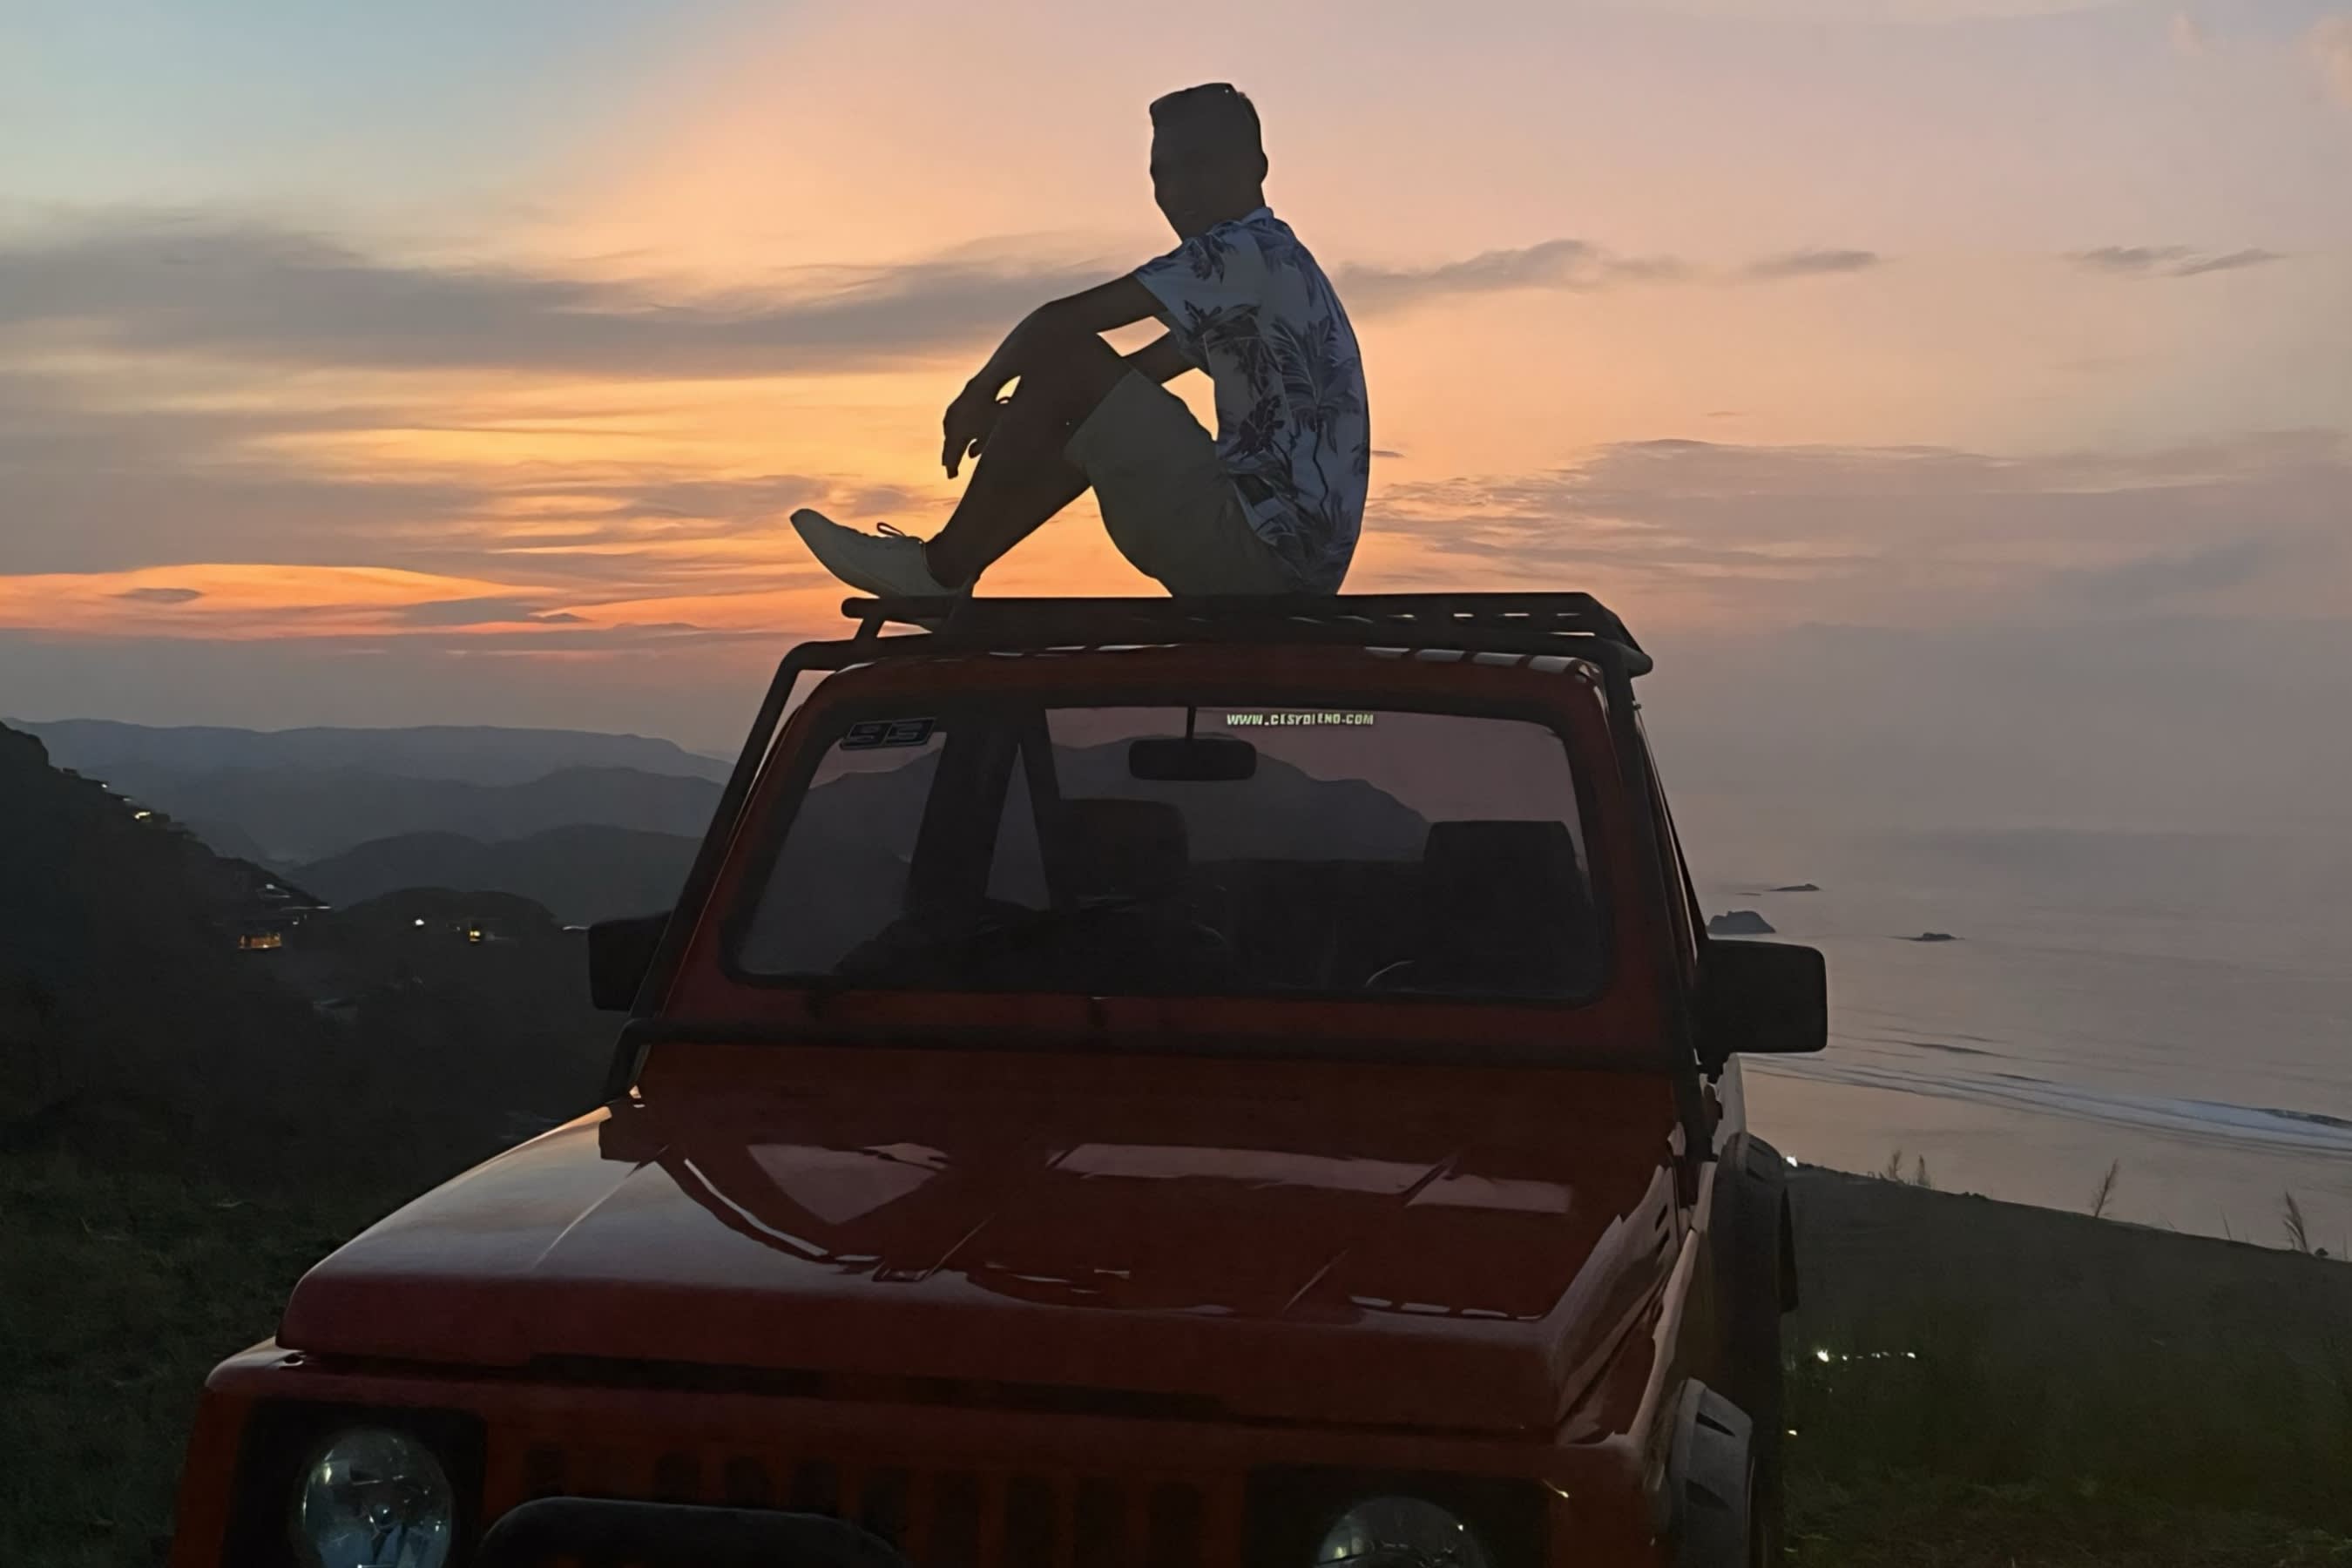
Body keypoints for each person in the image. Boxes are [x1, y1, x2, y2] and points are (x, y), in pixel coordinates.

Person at [790, 82, 1369, 599]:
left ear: (1255, 167)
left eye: (1198, 165)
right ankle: (950, 568)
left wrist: (978, 393)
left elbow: (1059, 326)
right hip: (1285, 565)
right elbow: (1132, 379)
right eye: (1161, 174)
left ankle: (938, 573)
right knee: (1080, 398)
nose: (1176, 190)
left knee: (1067, 362)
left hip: (1256, 555)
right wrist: (1030, 416)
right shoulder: (1276, 266)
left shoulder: (1241, 252)